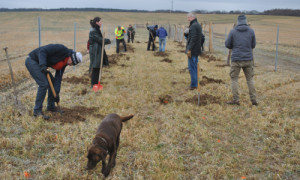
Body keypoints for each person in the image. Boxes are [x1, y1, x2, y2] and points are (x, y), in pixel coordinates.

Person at [25, 44, 83, 120]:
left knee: (52, 82)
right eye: (71, 63)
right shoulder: (61, 49)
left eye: (72, 64)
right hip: (33, 60)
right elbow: (43, 51)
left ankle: (51, 107)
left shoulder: (64, 63)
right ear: (71, 57)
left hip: (41, 64)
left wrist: (56, 93)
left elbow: (58, 79)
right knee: (44, 84)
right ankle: (37, 111)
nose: (70, 65)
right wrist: (43, 65)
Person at [225, 15, 257, 106]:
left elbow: (227, 44)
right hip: (248, 59)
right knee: (250, 79)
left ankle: (236, 100)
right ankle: (253, 99)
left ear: (238, 21)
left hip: (236, 59)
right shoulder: (251, 31)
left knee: (234, 79)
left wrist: (233, 47)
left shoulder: (233, 31)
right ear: (246, 21)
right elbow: (253, 45)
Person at [89, 17, 111, 87]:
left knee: (98, 66)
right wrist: (107, 40)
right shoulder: (93, 31)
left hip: (97, 50)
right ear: (97, 22)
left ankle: (96, 82)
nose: (101, 23)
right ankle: (94, 84)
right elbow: (100, 40)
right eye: (100, 22)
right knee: (96, 67)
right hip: (95, 51)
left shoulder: (96, 29)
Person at [185, 12, 203, 90]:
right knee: (195, 67)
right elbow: (201, 38)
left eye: (188, 17)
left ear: (192, 17)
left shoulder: (194, 26)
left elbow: (193, 39)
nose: (187, 19)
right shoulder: (197, 25)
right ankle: (195, 83)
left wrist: (189, 49)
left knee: (192, 67)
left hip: (193, 50)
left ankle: (194, 84)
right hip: (196, 49)